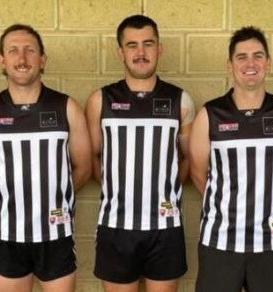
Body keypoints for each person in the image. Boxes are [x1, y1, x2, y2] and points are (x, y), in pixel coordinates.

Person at [0, 24, 91, 292]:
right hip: (6, 235)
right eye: (13, 51)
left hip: (55, 234)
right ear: (2, 59)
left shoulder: (66, 107)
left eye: (30, 51)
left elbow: (83, 168)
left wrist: (54, 198)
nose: (22, 59)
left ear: (42, 59)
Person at [189, 26, 273, 292]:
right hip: (220, 241)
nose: (250, 63)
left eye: (257, 55)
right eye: (241, 57)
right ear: (229, 65)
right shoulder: (210, 115)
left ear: (268, 62)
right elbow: (199, 175)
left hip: (272, 243)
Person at [85, 14, 195, 292]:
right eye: (132, 45)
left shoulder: (180, 100)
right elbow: (94, 159)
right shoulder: (101, 100)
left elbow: (187, 159)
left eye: (148, 43)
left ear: (159, 48)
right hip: (116, 226)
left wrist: (164, 190)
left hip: (165, 228)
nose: (141, 52)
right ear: (120, 51)